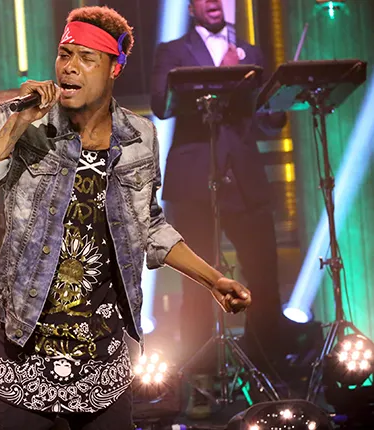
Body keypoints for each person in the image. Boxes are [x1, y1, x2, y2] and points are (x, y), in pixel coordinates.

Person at [0, 6, 252, 429]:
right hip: (23, 348)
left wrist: (214, 280)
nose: (69, 67)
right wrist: (17, 125)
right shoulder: (15, 119)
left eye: (86, 58)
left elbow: (150, 225)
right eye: (64, 54)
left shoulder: (140, 136)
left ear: (114, 68)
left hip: (101, 357)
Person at [150, 0, 287, 419]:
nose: (214, 3)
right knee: (197, 284)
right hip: (195, 180)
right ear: (191, 7)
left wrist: (276, 109)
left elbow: (260, 115)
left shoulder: (251, 52)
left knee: (265, 280)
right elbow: (161, 105)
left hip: (245, 180)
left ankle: (265, 374)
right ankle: (199, 382)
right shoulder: (172, 51)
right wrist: (225, 76)